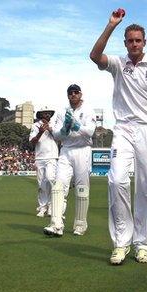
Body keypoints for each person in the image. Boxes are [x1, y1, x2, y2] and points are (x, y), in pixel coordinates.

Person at [90, 9, 147, 264]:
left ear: (145, 42)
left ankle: (141, 242)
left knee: (145, 188)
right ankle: (121, 243)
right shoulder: (118, 64)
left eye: (137, 40)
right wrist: (110, 25)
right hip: (122, 130)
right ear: (125, 43)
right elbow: (94, 56)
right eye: (129, 40)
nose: (133, 44)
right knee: (117, 180)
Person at [44, 84, 96, 236]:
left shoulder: (88, 110)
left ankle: (80, 225)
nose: (73, 95)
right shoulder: (61, 112)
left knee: (81, 188)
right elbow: (56, 135)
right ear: (67, 95)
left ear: (80, 94)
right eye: (70, 93)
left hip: (82, 150)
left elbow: (90, 131)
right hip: (66, 151)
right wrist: (64, 130)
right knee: (58, 186)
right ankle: (56, 224)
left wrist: (76, 125)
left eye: (76, 92)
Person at [29, 109, 58, 217]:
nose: (48, 115)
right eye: (45, 113)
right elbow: (32, 142)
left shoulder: (55, 124)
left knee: (51, 179)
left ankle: (51, 206)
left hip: (52, 156)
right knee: (41, 184)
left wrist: (50, 129)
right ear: (40, 115)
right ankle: (42, 207)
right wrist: (40, 132)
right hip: (40, 157)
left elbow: (60, 137)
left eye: (49, 113)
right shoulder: (35, 126)